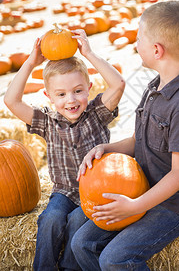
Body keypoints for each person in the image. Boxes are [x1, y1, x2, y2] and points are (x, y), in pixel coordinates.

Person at [71, 0, 179, 270]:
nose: (135, 44)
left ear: (156, 50)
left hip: (178, 205)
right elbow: (138, 141)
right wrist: (106, 148)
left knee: (115, 259)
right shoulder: (154, 87)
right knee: (81, 243)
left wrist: (134, 206)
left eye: (138, 38)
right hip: (145, 190)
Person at [4, 29, 125, 271]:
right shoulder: (46, 121)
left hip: (94, 192)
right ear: (48, 96)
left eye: (78, 91)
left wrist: (88, 53)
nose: (71, 100)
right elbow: (11, 101)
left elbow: (118, 83)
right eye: (61, 94)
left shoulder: (96, 113)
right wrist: (30, 63)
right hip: (63, 192)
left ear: (89, 88)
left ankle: (70, 268)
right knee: (50, 219)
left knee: (77, 221)